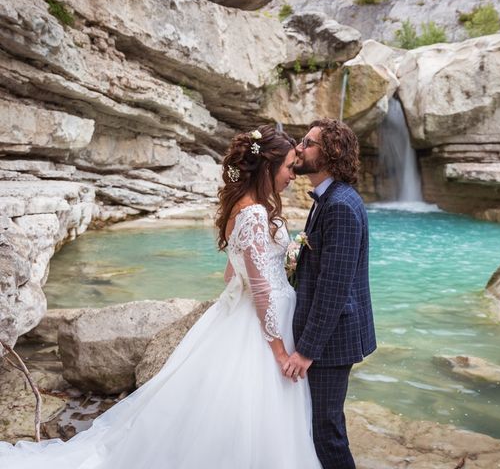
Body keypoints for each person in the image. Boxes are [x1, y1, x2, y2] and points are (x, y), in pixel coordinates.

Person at [0, 125, 322, 469]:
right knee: (257, 411)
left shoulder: (238, 210)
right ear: (267, 168)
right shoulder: (256, 214)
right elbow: (259, 289)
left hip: (239, 317)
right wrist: (279, 350)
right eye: (289, 167)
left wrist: (280, 261)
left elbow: (233, 274)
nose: (293, 174)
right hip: (260, 329)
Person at [282, 118, 377, 469]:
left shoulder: (339, 206)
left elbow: (334, 288)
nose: (299, 148)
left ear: (331, 152)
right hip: (328, 338)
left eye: (308, 143)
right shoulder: (327, 199)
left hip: (332, 342)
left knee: (326, 429)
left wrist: (306, 351)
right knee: (319, 423)